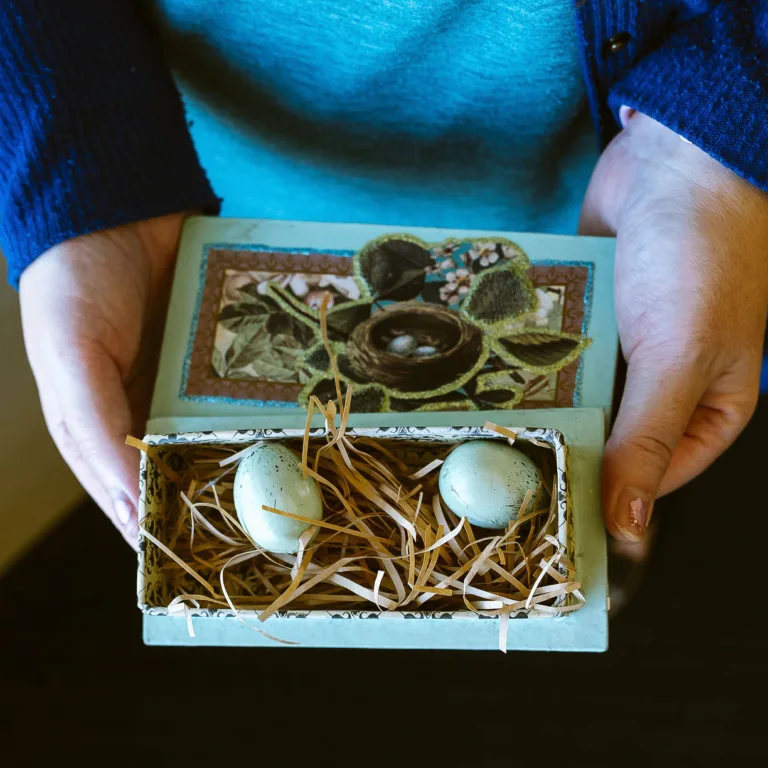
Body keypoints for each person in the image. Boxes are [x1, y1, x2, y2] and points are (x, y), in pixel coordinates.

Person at [1, 1, 766, 554]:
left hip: (610, 181)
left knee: (612, 396)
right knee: (332, 408)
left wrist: (730, 114)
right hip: (229, 184)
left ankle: (574, 536)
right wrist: (81, 164)